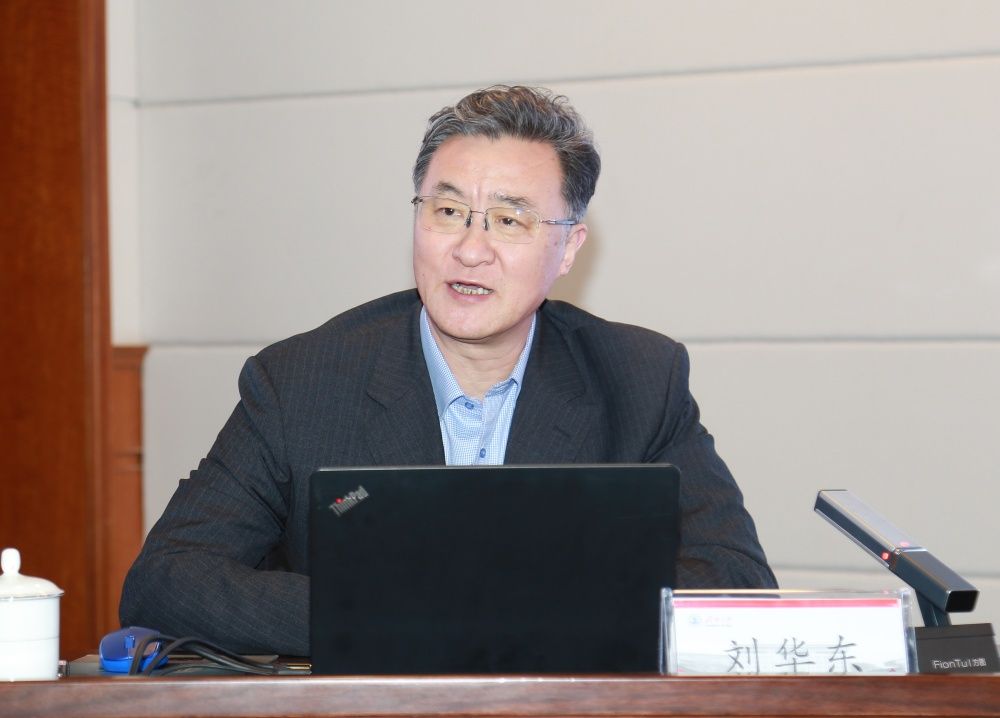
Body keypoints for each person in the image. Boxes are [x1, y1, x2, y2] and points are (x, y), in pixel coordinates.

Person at [120, 85, 776, 656]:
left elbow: (737, 584)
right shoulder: (301, 382)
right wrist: (393, 615)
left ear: (568, 247)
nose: (469, 249)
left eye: (509, 220)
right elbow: (167, 580)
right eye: (447, 211)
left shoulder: (639, 379)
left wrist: (510, 613)